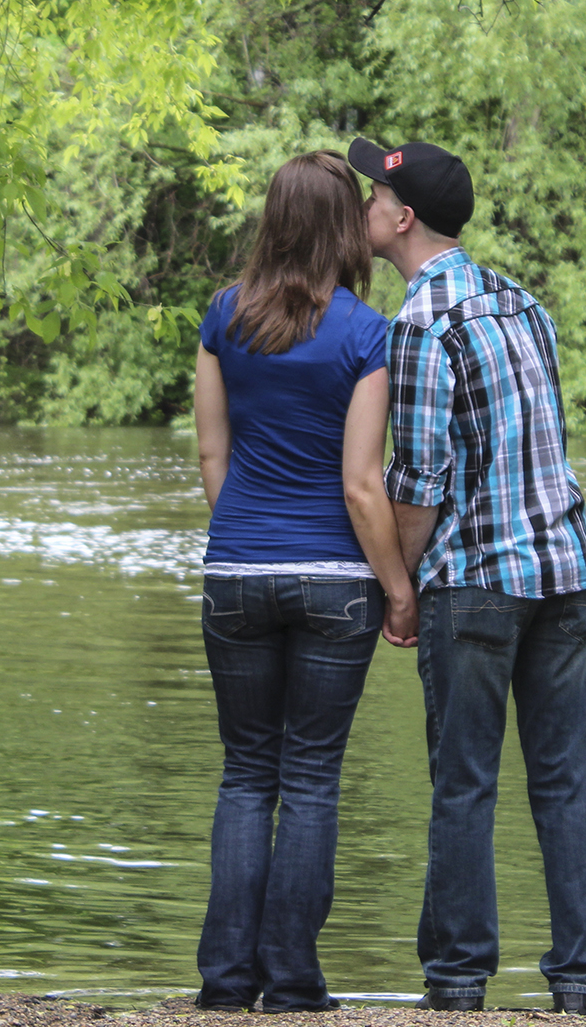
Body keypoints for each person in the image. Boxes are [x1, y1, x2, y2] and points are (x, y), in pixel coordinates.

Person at [345, 137, 586, 1017]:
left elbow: (417, 483)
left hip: (477, 582)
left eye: (370, 196)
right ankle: (579, 983)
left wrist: (400, 586)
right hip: (564, 570)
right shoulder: (522, 303)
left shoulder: (419, 323)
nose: (363, 209)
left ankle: (458, 983)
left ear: (402, 217)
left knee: (464, 780)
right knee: (565, 780)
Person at [191, 149, 421, 1012]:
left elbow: (214, 455)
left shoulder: (224, 317)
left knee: (247, 772)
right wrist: (397, 587)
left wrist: (245, 540)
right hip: (335, 580)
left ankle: (225, 979)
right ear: (339, 230)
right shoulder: (367, 333)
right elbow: (365, 484)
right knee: (312, 775)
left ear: (272, 219)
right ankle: (293, 982)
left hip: (237, 567)